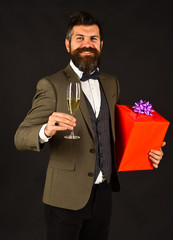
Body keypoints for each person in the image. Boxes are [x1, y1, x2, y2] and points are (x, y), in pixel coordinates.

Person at [14, 11, 165, 240]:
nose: (87, 44)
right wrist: (46, 129)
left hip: (103, 194)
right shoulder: (51, 84)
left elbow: (113, 131)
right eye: (80, 38)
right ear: (68, 45)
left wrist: (147, 150)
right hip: (64, 197)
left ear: (101, 44)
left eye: (93, 38)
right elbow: (21, 137)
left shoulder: (111, 82)